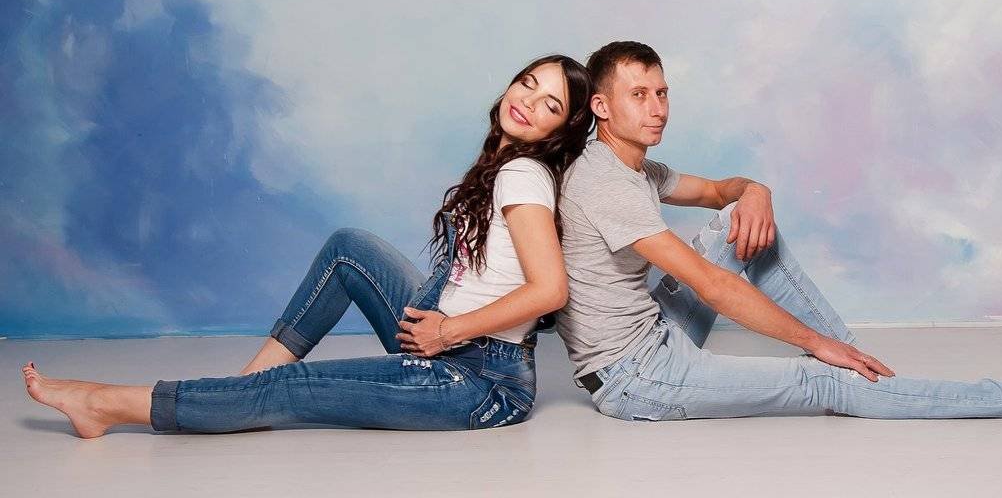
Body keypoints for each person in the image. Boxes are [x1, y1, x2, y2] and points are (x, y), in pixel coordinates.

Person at [22, 54, 594, 437]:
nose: (529, 101)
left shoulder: (522, 175)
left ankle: (106, 404)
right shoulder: (501, 166)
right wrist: (440, 326)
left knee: (291, 389)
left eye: (551, 104)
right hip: (445, 336)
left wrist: (448, 331)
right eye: (528, 83)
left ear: (560, 130)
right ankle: (240, 393)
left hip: (478, 381)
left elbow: (550, 290)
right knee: (349, 248)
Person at [555, 41, 1002, 422]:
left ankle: (863, 371)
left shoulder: (637, 167)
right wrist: (816, 344)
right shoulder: (604, 181)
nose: (657, 109)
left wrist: (757, 191)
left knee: (737, 226)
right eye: (639, 95)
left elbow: (723, 191)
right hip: (635, 376)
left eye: (662, 93)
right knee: (822, 378)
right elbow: (713, 286)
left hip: (654, 331)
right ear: (601, 106)